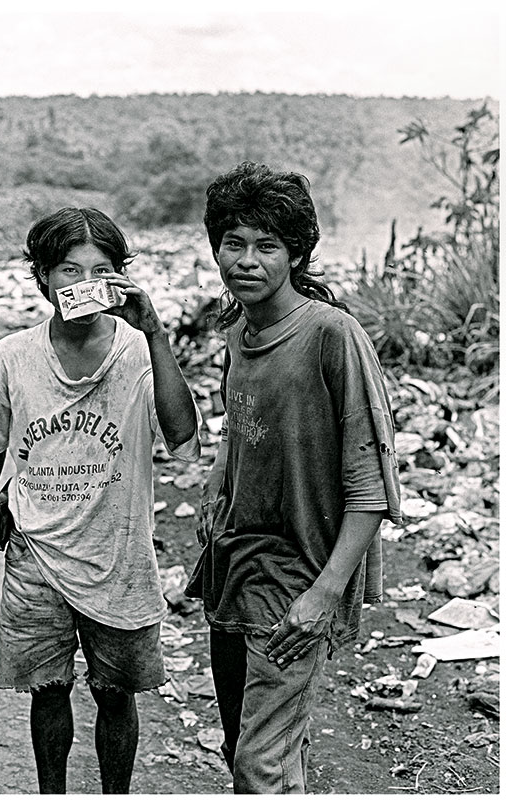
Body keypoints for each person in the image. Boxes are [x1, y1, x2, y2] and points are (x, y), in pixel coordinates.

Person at [0, 207, 201, 794]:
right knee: (48, 692)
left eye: (100, 270)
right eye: (67, 270)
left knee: (116, 694)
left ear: (120, 278)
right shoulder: (9, 358)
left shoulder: (137, 350)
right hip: (36, 556)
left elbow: (183, 436)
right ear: (42, 278)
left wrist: (155, 332)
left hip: (118, 555)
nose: (82, 283)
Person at [185, 162, 402, 794]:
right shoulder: (239, 333)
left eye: (267, 246)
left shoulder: (332, 336)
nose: (246, 261)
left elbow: (371, 483)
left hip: (298, 577)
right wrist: (217, 484)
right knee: (254, 751)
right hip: (236, 566)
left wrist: (325, 593)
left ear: (297, 254)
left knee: (260, 765)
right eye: (234, 243)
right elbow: (239, 422)